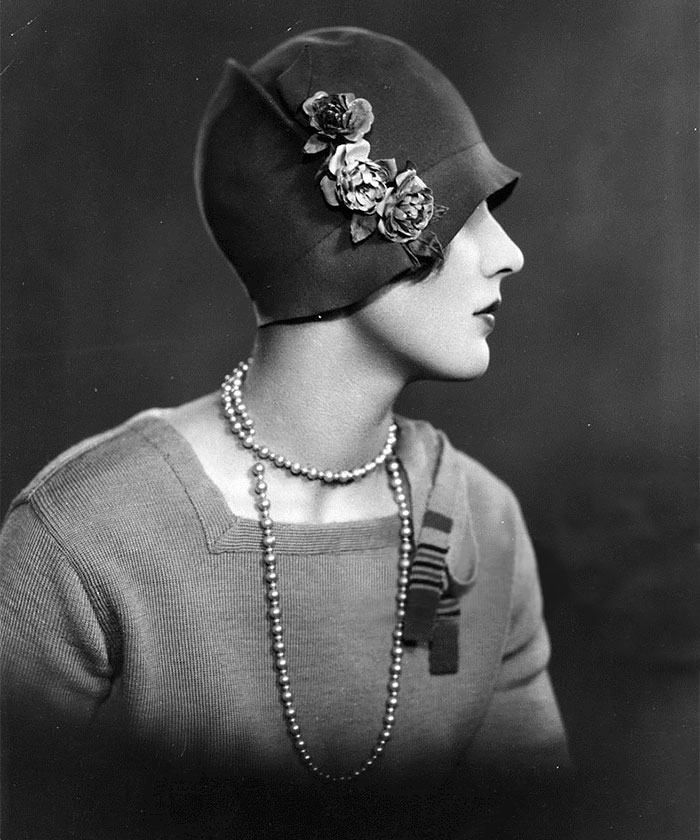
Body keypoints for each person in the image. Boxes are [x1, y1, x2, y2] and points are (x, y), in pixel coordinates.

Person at [1, 27, 570, 840]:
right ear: (348, 247)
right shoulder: (84, 535)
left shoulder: (486, 518)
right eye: (464, 213)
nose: (508, 253)